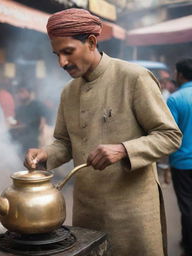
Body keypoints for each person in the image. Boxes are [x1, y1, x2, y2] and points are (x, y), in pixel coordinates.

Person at [24, 8, 182, 256]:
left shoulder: (134, 78)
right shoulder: (68, 91)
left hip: (132, 214)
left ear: (91, 42)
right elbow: (65, 142)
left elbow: (170, 135)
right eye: (57, 54)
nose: (62, 62)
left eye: (68, 52)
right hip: (86, 211)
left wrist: (123, 149)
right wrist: (45, 154)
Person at [167, 58, 192, 256]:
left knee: (187, 205)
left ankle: (189, 244)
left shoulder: (175, 99)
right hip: (182, 161)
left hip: (182, 162)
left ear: (180, 74)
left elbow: (169, 134)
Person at [15, 86, 48, 154]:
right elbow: (18, 122)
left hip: (35, 137)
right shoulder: (20, 108)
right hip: (22, 137)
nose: (20, 94)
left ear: (29, 93)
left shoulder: (37, 104)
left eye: (22, 92)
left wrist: (41, 137)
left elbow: (43, 122)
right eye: (19, 92)